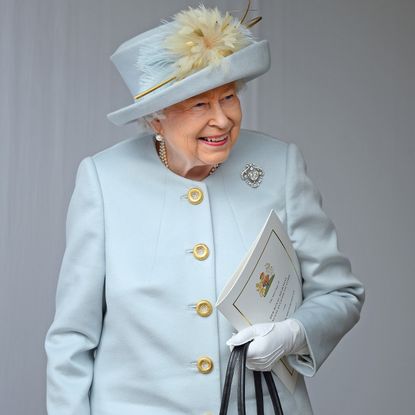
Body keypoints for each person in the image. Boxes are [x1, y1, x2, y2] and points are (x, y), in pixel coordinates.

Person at [44, 3, 365, 415]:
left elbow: (341, 293)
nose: (222, 119)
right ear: (155, 119)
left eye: (228, 97)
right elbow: (72, 338)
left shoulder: (278, 165)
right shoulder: (104, 180)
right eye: (199, 105)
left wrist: (295, 334)